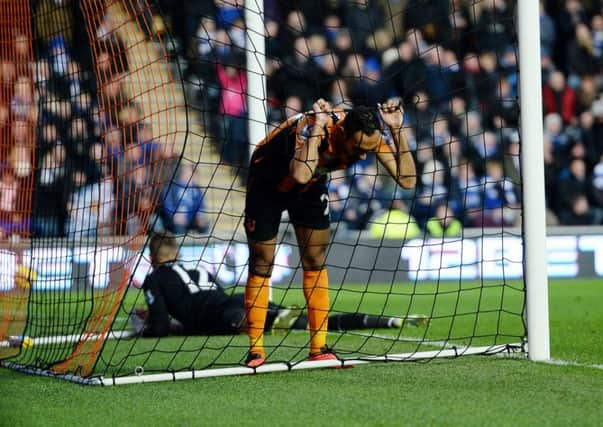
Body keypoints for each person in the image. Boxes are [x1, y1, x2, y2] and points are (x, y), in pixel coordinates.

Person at [243, 98, 416, 367]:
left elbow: (407, 180)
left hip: (310, 182)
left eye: (366, 151)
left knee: (315, 258)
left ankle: (318, 348)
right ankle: (255, 350)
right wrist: (316, 130)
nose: (361, 156)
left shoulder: (369, 135)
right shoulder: (316, 127)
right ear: (343, 132)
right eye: (358, 149)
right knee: (262, 261)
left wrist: (396, 130)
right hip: (269, 180)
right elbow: (299, 173)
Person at [133, 233, 427, 340]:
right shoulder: (196, 266)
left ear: (152, 257)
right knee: (310, 322)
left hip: (226, 318)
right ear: (177, 252)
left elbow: (159, 327)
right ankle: (385, 320)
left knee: (299, 326)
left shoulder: (154, 278)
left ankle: (384, 322)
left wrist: (146, 328)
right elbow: (205, 299)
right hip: (234, 303)